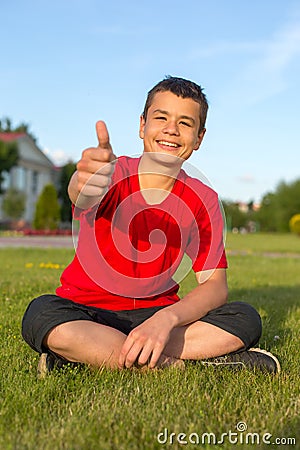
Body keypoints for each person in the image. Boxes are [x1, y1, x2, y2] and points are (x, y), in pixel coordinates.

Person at [22, 76, 280, 376]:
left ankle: (84, 357)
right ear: (142, 125)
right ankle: (178, 368)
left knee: (245, 318)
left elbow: (214, 285)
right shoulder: (111, 175)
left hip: (155, 316)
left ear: (199, 138)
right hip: (86, 312)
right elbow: (83, 191)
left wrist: (166, 319)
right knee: (42, 314)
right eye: (161, 118)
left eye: (185, 122)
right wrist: (86, 180)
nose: (172, 129)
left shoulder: (204, 199)